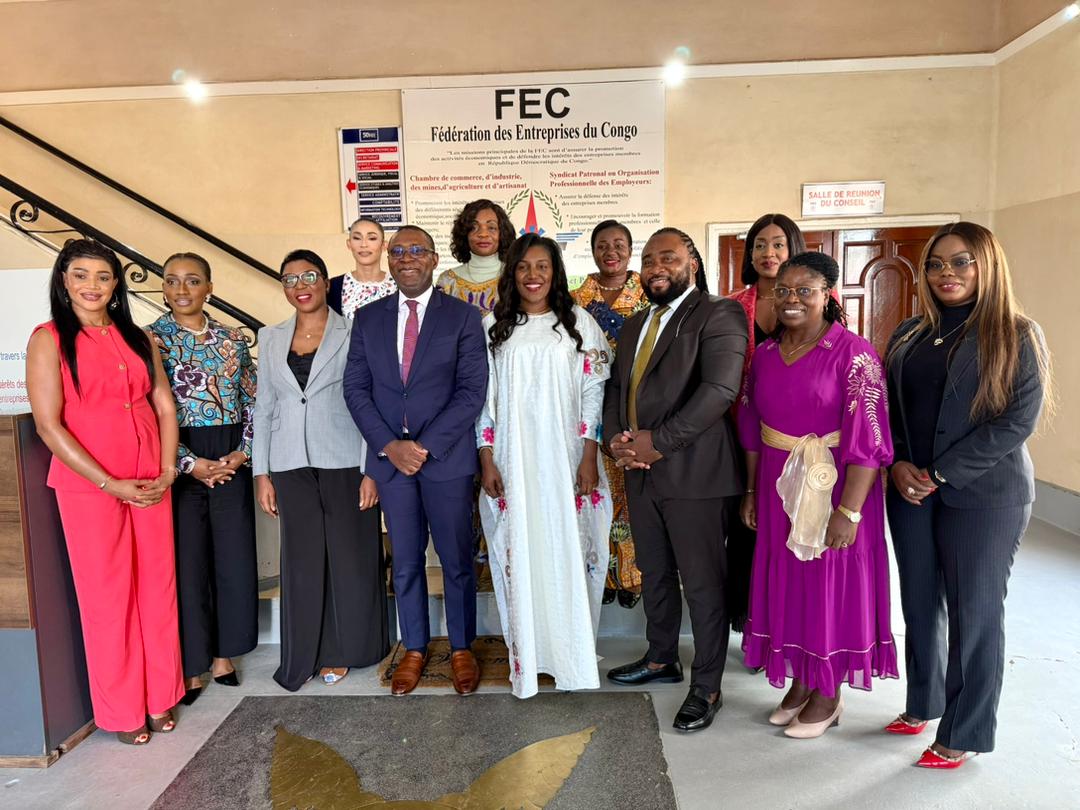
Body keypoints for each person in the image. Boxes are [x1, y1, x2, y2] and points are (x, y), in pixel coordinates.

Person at [884, 222, 1052, 768]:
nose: (946, 273)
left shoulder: (1016, 333)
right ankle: (924, 701)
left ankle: (965, 730)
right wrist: (897, 462)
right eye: (936, 264)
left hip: (985, 496)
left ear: (987, 265)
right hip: (910, 490)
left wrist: (940, 472)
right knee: (918, 602)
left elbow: (1016, 421)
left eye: (961, 262)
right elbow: (887, 410)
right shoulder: (909, 333)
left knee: (973, 613)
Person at [26, 239, 184, 745]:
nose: (92, 285)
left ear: (116, 284)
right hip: (90, 487)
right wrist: (108, 482)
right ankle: (122, 710)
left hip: (151, 478)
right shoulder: (48, 339)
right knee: (108, 597)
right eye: (80, 275)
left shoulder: (138, 337)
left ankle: (160, 696)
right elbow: (48, 425)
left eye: (102, 276)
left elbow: (164, 406)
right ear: (64, 281)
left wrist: (167, 470)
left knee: (157, 590)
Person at [738, 251, 898, 739]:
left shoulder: (854, 353)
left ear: (827, 295)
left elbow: (869, 440)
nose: (791, 299)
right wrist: (751, 490)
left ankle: (829, 692)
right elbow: (751, 427)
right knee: (791, 582)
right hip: (777, 486)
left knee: (828, 582)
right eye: (783, 291)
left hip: (836, 487)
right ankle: (803, 680)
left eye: (804, 290)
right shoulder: (766, 355)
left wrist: (849, 511)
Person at [603, 227, 747, 733]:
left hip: (696, 474)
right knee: (655, 571)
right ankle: (661, 657)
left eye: (668, 257)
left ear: (692, 263)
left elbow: (719, 391)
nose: (656, 267)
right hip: (640, 472)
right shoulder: (635, 324)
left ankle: (707, 685)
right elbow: (617, 388)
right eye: (648, 259)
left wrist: (658, 443)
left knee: (703, 583)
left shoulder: (718, 313)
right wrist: (615, 440)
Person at [344, 225, 488, 696]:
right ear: (389, 258)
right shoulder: (368, 319)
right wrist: (390, 446)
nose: (407, 258)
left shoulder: (462, 317)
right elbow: (356, 390)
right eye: (399, 251)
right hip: (392, 464)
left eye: (416, 250)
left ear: (433, 259)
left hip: (444, 460)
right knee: (405, 562)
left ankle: (462, 648)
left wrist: (422, 447)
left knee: (457, 560)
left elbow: (472, 391)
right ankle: (414, 648)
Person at [478, 234, 612, 698]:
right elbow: (482, 403)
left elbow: (594, 390)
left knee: (566, 549)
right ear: (511, 274)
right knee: (521, 550)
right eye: (523, 267)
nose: (532, 275)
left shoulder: (578, 323)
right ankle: (529, 658)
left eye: (542, 266)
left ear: (555, 273)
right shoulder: (494, 327)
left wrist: (589, 453)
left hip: (566, 459)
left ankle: (571, 658)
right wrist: (487, 457)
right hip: (513, 459)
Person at [253, 249, 388, 691]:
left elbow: (371, 400)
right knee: (303, 561)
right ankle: (304, 654)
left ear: (326, 282)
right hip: (288, 461)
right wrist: (261, 473)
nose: (300, 285)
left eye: (309, 276)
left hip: (346, 457)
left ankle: (346, 649)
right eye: (290, 279)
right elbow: (265, 406)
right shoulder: (270, 337)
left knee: (350, 557)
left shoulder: (355, 330)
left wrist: (373, 469)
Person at [150, 253, 258, 704]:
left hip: (231, 456)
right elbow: (146, 412)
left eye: (192, 280)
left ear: (209, 288)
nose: (182, 289)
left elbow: (255, 401)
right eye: (172, 280)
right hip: (177, 459)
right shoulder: (149, 340)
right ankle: (192, 663)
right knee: (188, 564)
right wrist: (188, 462)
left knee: (232, 560)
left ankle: (222, 655)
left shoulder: (233, 340)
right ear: (163, 288)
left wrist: (243, 452)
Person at [725, 214, 807, 632]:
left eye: (778, 244)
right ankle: (751, 624)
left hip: (799, 440)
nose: (768, 253)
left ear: (794, 249)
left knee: (792, 530)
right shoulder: (731, 306)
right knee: (746, 529)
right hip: (739, 435)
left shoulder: (819, 302)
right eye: (759, 244)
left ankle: (790, 624)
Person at [572, 219, 650, 608]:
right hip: (589, 409)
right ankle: (599, 572)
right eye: (602, 245)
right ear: (592, 251)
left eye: (619, 244)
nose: (611, 252)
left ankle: (633, 576)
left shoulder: (649, 296)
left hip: (638, 409)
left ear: (631, 250)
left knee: (635, 496)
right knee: (595, 495)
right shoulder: (573, 300)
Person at [435, 199, 516, 316]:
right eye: (473, 227)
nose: (483, 234)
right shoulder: (447, 281)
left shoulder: (514, 277)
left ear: (502, 233)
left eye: (491, 227)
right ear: (464, 234)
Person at [329, 217, 397, 318]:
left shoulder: (399, 285)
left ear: (384, 245)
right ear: (349, 244)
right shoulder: (333, 287)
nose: (364, 244)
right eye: (357, 238)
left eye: (372, 238)